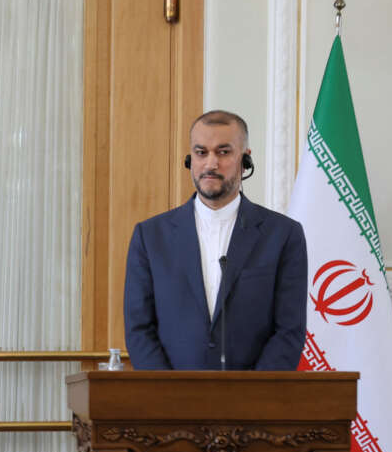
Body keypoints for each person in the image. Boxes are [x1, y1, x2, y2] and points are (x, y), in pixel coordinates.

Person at [123, 110, 306, 370]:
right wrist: (167, 390)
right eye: (201, 152)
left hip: (255, 394)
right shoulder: (151, 236)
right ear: (190, 160)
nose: (211, 164)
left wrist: (254, 392)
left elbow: (289, 330)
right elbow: (139, 329)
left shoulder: (283, 235)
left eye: (223, 152)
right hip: (170, 393)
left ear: (245, 160)